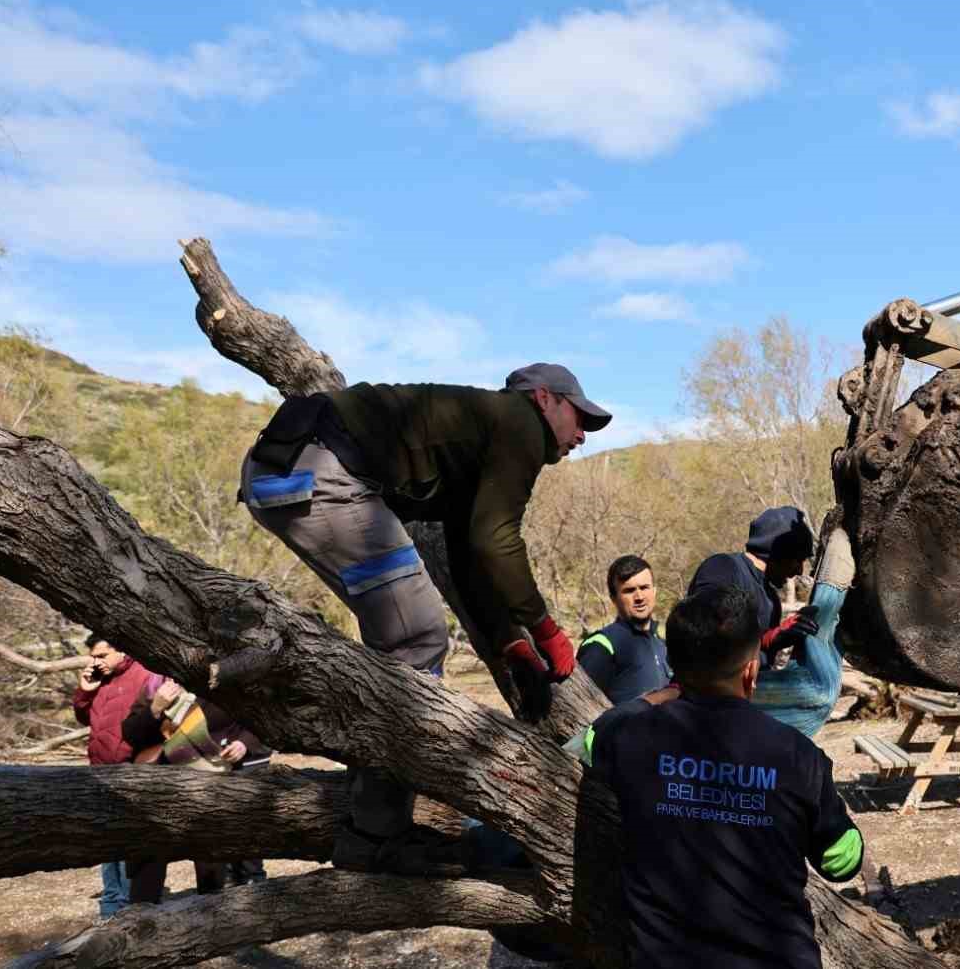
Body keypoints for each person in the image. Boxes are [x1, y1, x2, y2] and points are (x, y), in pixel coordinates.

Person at [238, 363, 611, 875]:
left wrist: (509, 641)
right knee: (416, 642)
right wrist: (544, 629)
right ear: (544, 398)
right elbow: (497, 540)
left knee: (403, 647)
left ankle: (373, 812)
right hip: (316, 475)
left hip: (291, 467)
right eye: (579, 417)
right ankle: (374, 836)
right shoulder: (519, 422)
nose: (582, 436)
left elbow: (467, 548)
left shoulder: (483, 432)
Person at [582, 584, 864, 968]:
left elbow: (590, 738)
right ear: (751, 670)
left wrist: (658, 698)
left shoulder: (630, 740)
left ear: (674, 669)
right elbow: (841, 863)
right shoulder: (798, 757)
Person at [688, 508, 855, 737]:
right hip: (715, 688)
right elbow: (704, 632)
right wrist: (769, 637)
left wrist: (786, 637)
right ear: (778, 552)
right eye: (797, 560)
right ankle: (836, 568)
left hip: (750, 691)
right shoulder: (723, 567)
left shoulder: (771, 599)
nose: (798, 571)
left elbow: (761, 652)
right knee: (819, 690)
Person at [119, 675, 267, 904]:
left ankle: (214, 923)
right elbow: (131, 734)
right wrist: (155, 708)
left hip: (210, 787)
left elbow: (258, 722)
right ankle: (141, 925)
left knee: (211, 866)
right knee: (147, 865)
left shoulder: (225, 682)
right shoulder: (156, 685)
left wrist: (243, 744)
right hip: (159, 790)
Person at [72, 634, 153, 919]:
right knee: (108, 842)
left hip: (133, 771)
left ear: (122, 651)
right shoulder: (100, 679)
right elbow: (86, 719)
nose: (96, 662)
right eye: (93, 657)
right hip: (100, 772)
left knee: (131, 842)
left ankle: (132, 907)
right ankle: (110, 908)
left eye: (102, 656)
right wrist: (84, 691)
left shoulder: (144, 675)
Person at [577, 555, 671, 704]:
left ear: (654, 591)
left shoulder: (665, 644)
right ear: (613, 598)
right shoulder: (601, 645)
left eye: (644, 587)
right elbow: (583, 707)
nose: (639, 597)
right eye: (629, 590)